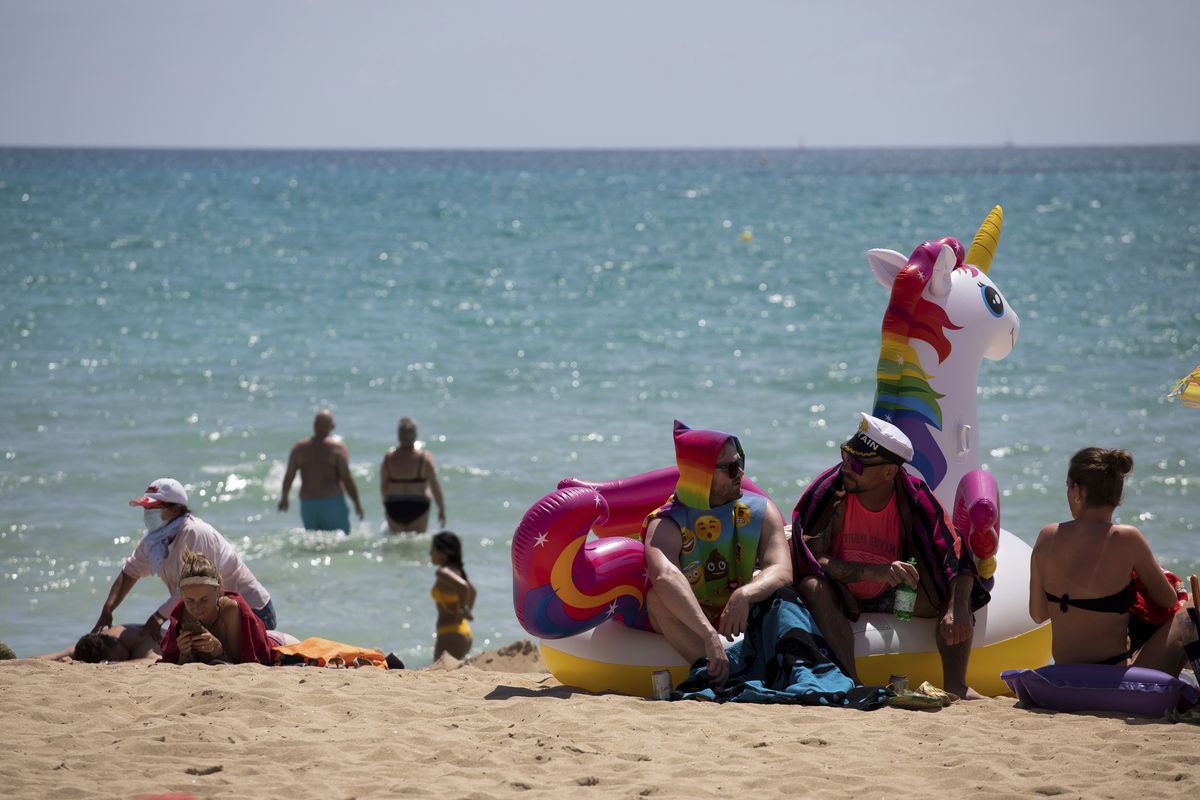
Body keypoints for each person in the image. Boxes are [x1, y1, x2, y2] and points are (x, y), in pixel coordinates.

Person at [791, 413, 990, 699]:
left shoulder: (915, 498)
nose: (846, 467)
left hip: (895, 596)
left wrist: (956, 607)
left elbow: (954, 553)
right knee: (812, 586)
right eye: (846, 456)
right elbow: (811, 558)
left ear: (889, 471)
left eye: (857, 463)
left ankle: (956, 683)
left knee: (958, 590)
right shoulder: (830, 492)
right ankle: (853, 682)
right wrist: (875, 572)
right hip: (842, 593)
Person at [643, 420, 792, 685]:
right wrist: (708, 634)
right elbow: (665, 576)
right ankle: (725, 674)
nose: (741, 475)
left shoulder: (759, 510)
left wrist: (743, 594)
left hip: (739, 615)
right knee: (656, 600)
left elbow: (782, 569)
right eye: (732, 468)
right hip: (692, 620)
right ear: (703, 474)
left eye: (741, 462)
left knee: (783, 594)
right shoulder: (667, 522)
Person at [1029, 447, 1196, 673]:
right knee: (1193, 606)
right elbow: (1168, 600)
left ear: (1077, 490)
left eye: (1067, 487)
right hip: (1111, 676)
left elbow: (1038, 614)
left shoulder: (1047, 535)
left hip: (1065, 673)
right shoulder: (1127, 538)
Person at [92, 478, 276, 641]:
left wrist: (157, 619)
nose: (148, 513)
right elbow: (130, 572)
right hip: (210, 611)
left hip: (252, 611)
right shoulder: (154, 540)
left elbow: (195, 585)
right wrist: (108, 609)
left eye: (154, 508)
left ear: (176, 509)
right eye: (146, 508)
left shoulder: (195, 532)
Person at [159, 549, 276, 665]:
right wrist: (184, 652)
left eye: (204, 600)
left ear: (219, 591)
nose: (197, 607)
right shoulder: (184, 612)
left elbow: (240, 664)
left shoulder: (230, 610)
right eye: (190, 600)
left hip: (275, 641)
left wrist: (217, 648)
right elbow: (179, 664)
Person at [278, 409, 364, 535]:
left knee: (314, 545)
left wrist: (284, 498)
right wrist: (357, 503)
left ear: (314, 426)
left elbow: (289, 476)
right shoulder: (337, 448)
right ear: (331, 427)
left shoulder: (299, 448)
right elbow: (346, 478)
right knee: (340, 543)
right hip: (332, 502)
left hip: (308, 505)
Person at [380, 417, 446, 534]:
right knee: (417, 544)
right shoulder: (424, 458)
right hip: (418, 505)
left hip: (394, 505)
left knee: (397, 544)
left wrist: (386, 508)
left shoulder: (389, 458)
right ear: (415, 435)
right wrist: (441, 509)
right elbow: (435, 486)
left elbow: (384, 486)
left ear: (399, 436)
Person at [430, 531, 476, 660]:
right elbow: (472, 591)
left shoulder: (442, 572)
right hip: (461, 631)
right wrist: (467, 610)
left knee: (437, 674)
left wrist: (463, 609)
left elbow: (464, 587)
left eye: (432, 550)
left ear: (444, 552)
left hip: (450, 634)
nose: (430, 553)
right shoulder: (457, 571)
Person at [38, 624, 162, 663]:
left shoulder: (142, 643)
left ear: (116, 643)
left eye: (119, 657)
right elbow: (52, 657)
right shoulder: (91, 644)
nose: (121, 659)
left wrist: (112, 664)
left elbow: (155, 660)